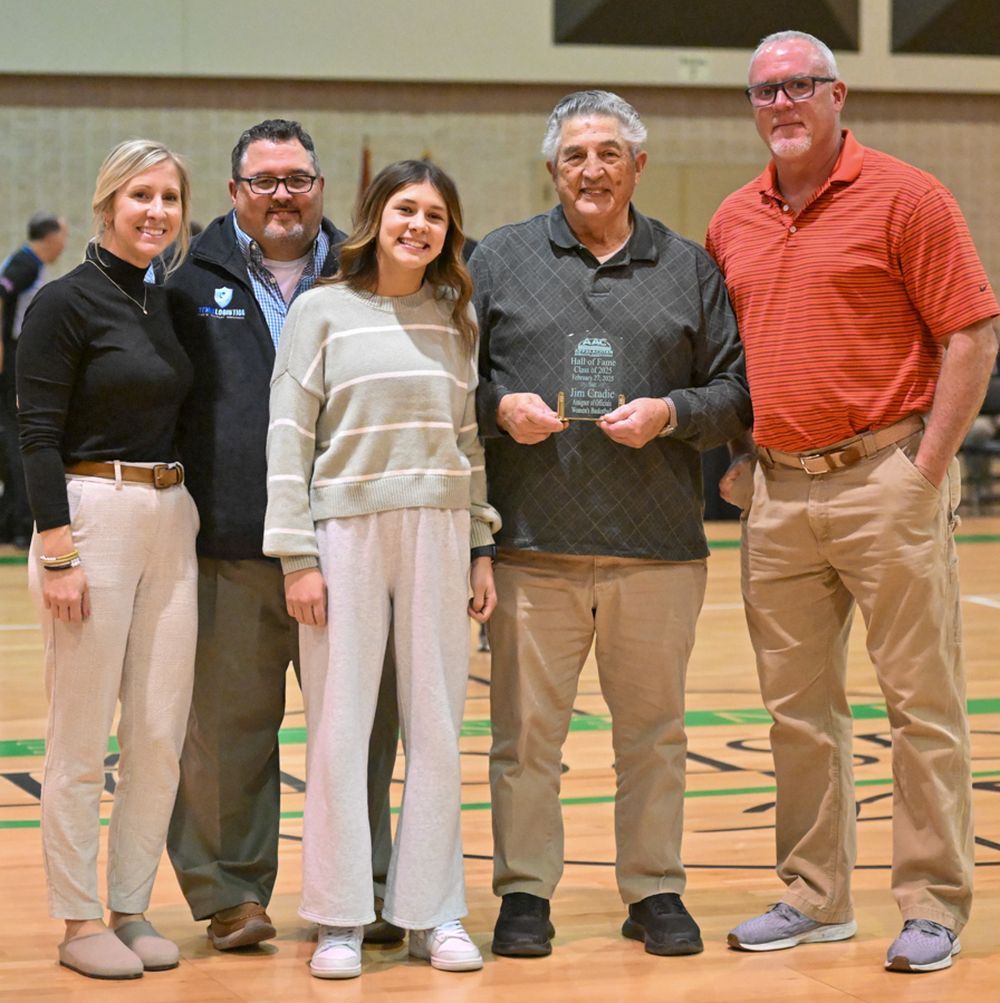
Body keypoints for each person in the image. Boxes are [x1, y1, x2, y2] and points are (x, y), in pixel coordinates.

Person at [706, 30, 1000, 974]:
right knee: (798, 710)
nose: (782, 104)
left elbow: (972, 335)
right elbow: (729, 358)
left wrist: (924, 470)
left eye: (800, 86)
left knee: (921, 703)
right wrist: (740, 455)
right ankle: (815, 894)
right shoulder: (732, 220)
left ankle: (932, 904)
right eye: (765, 91)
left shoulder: (908, 196)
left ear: (839, 95)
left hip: (887, 476)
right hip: (781, 493)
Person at [472, 90, 751, 959]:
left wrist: (670, 411)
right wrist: (498, 406)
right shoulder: (500, 258)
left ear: (638, 163)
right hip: (530, 546)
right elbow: (451, 383)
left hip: (657, 550)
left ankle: (655, 887)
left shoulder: (690, 266)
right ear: (552, 170)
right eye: (573, 156)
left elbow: (737, 391)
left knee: (656, 734)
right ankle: (524, 891)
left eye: (606, 153)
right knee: (525, 740)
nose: (590, 170)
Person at [165, 119, 401, 950]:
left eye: (297, 178)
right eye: (262, 181)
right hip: (230, 544)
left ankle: (363, 887)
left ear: (321, 188)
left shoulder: (371, 273)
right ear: (234, 193)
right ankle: (231, 895)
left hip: (351, 546)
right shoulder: (184, 275)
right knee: (227, 734)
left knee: (360, 731)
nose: (281, 194)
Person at [263, 159, 500, 979]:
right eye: (406, 208)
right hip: (344, 536)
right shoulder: (321, 310)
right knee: (339, 729)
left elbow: (468, 442)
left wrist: (479, 544)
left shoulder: (455, 315)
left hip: (438, 531)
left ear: (448, 231)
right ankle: (339, 916)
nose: (419, 226)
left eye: (436, 214)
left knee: (436, 726)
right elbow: (288, 436)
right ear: (376, 217)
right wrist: (298, 554)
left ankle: (435, 913)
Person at [17, 140, 198, 980]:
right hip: (89, 516)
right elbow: (36, 432)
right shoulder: (64, 302)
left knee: (159, 734)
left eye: (169, 197)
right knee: (81, 738)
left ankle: (130, 904)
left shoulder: (167, 304)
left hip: (171, 514)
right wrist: (55, 547)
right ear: (106, 202)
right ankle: (76, 916)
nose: (156, 210)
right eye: (141, 195)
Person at [0, 212, 68, 547]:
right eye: (64, 235)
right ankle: (18, 522)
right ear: (51, 236)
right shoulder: (25, 264)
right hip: (11, 358)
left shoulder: (28, 263)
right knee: (16, 435)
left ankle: (13, 520)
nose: (65, 243)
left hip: (13, 356)